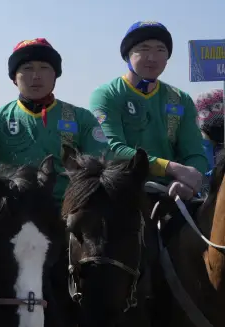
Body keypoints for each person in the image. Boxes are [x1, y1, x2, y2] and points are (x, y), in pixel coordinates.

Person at [0, 38, 108, 202]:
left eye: (44, 68)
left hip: (65, 210)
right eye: (27, 68)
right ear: (14, 77)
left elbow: (103, 167)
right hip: (9, 210)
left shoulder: (81, 118)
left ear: (55, 75)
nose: (36, 76)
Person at [89, 22, 208, 201]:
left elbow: (195, 152)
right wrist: (170, 168)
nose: (152, 57)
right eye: (143, 49)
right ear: (127, 55)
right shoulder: (107, 94)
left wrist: (188, 181)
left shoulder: (180, 99)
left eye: (161, 50)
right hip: (121, 196)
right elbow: (112, 149)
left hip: (171, 193)